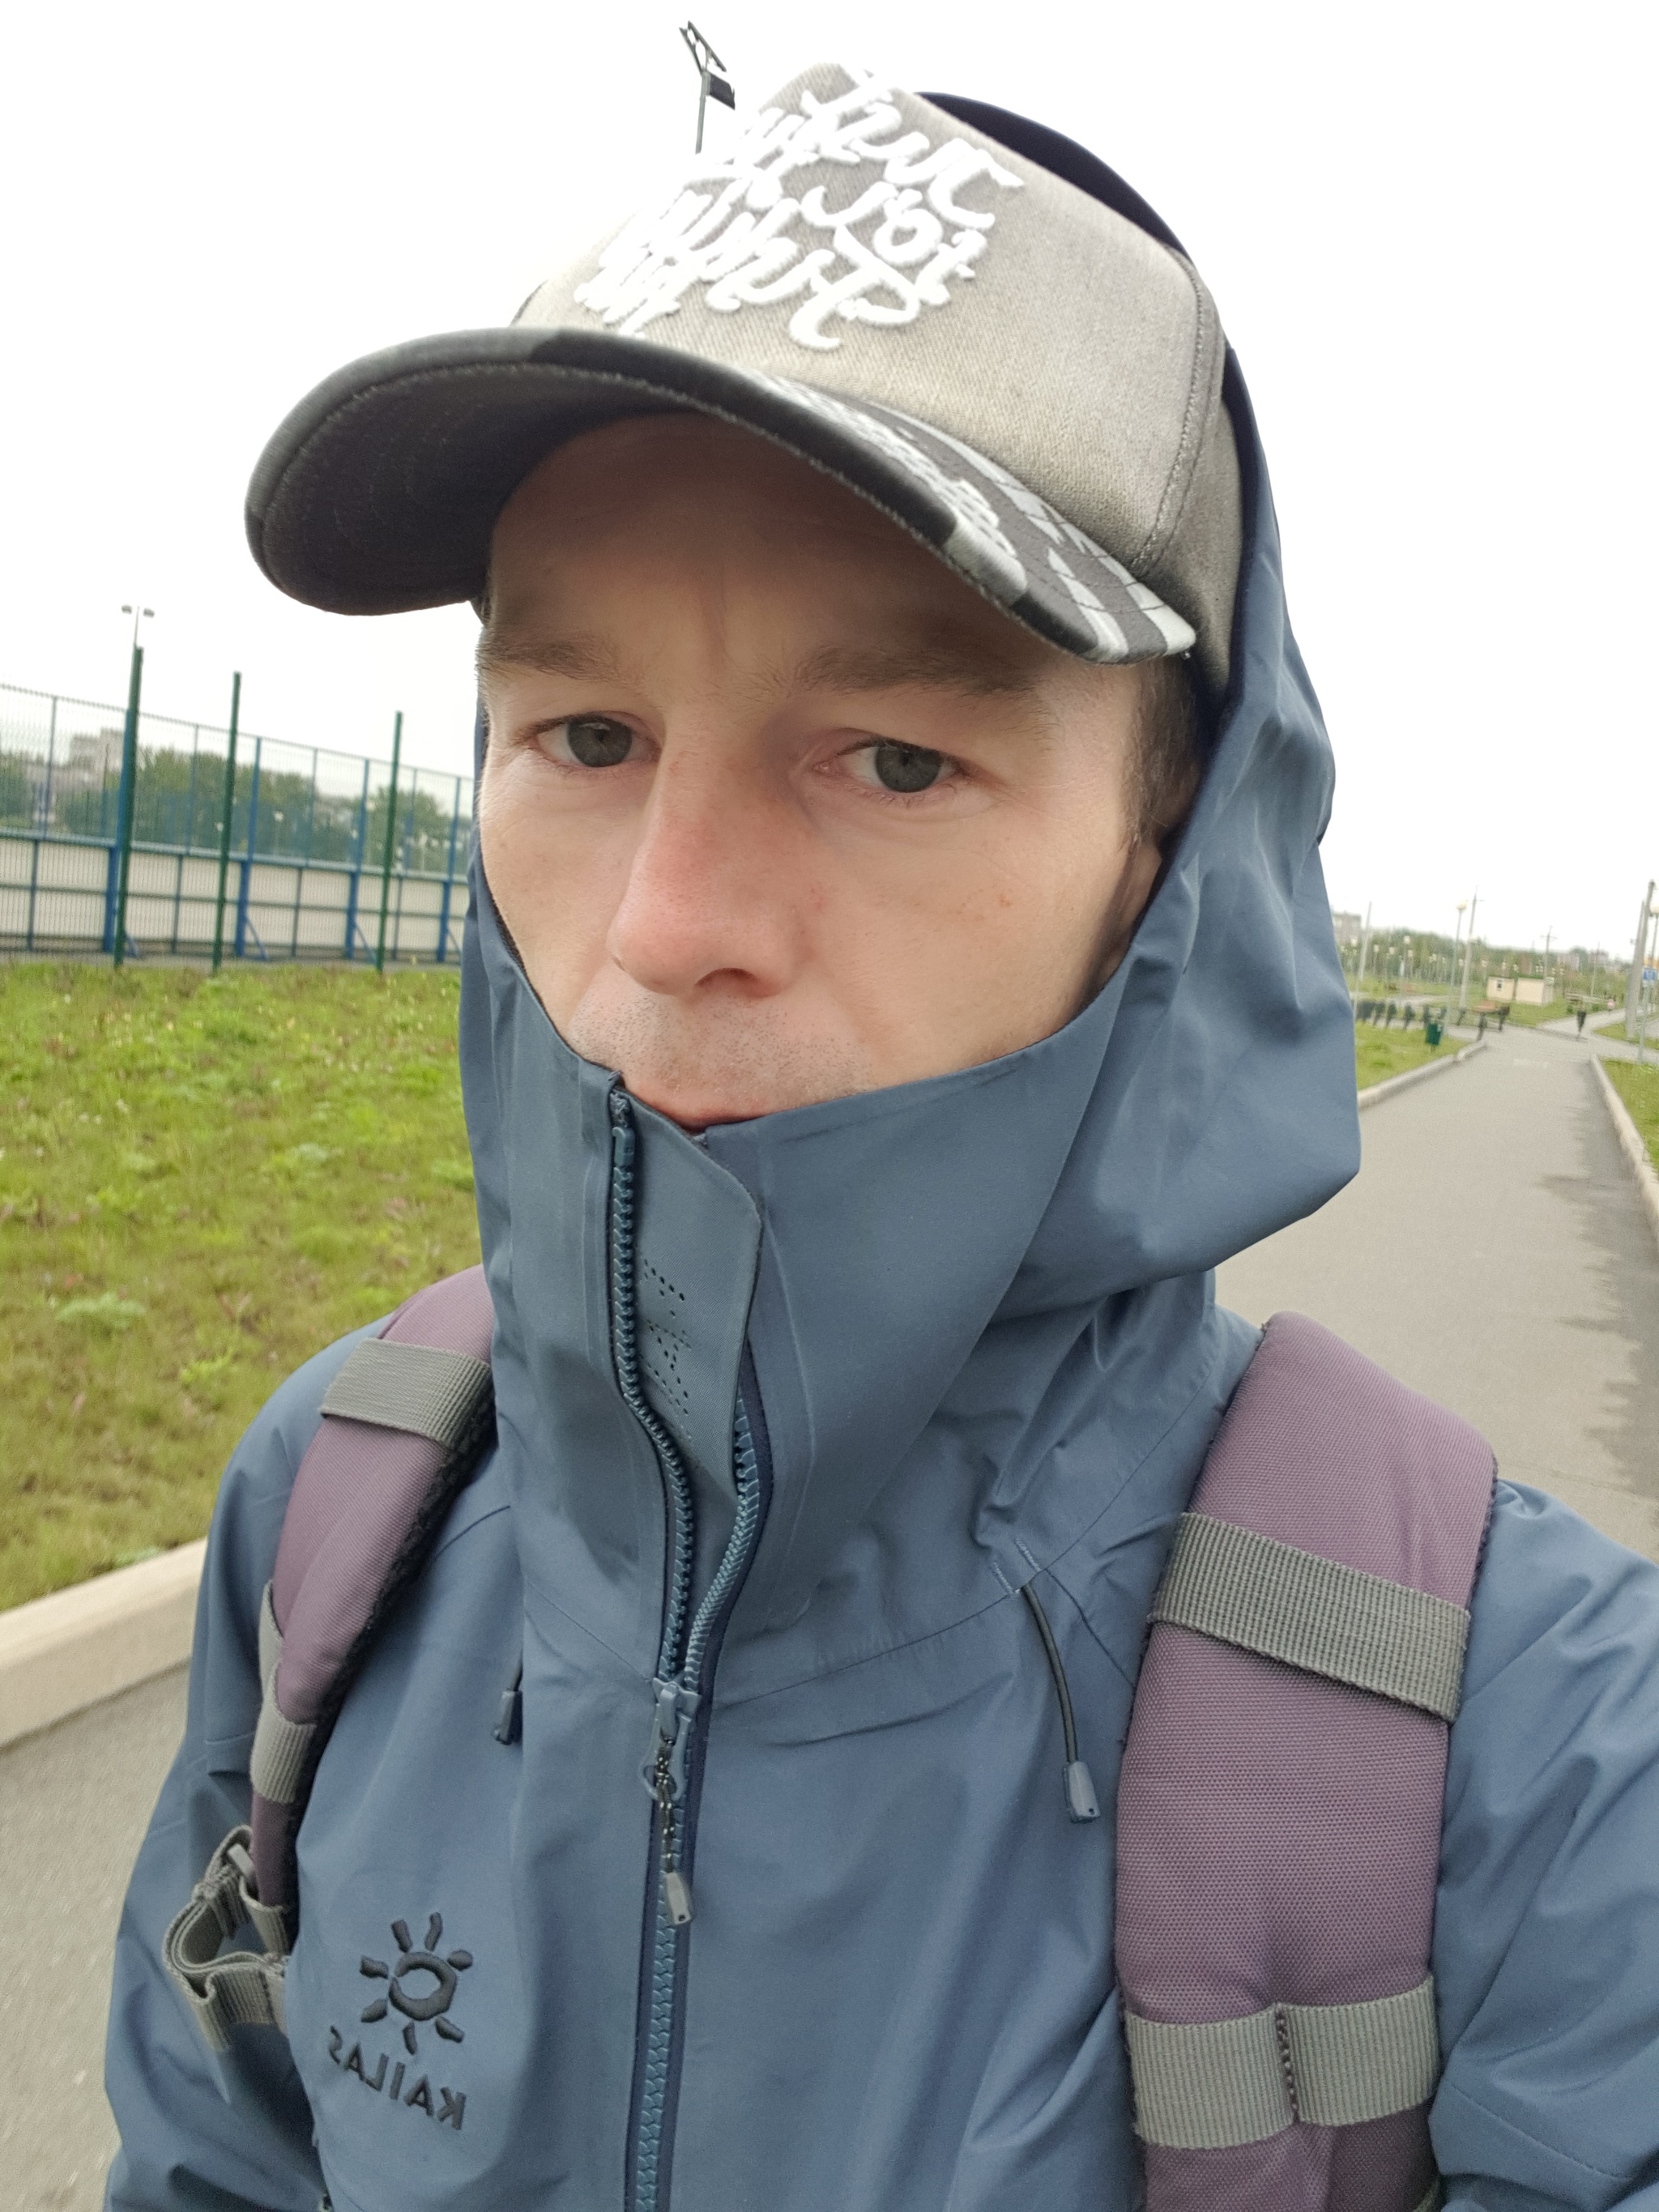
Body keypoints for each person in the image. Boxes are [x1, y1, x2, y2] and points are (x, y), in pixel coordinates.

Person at [104, 65, 1658, 2212]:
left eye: (899, 759)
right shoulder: (337, 1511)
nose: (666, 923)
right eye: (583, 733)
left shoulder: (1538, 1737)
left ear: (1175, 859)